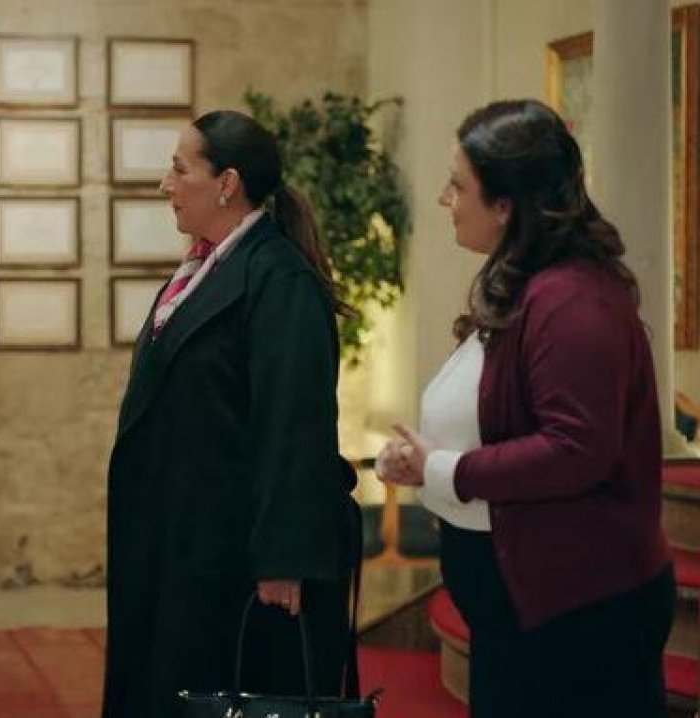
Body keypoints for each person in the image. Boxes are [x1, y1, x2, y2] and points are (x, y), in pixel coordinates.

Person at [377, 99, 675, 718]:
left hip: (577, 612)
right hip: (527, 608)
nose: (445, 199)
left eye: (458, 185)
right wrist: (421, 459)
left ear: (506, 204)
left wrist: (446, 469)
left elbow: (575, 449)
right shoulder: (525, 282)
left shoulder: (573, 301)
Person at [102, 110, 359, 717]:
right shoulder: (205, 266)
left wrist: (283, 560)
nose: (165, 184)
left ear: (227, 183)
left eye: (179, 169)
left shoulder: (280, 279)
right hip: (184, 539)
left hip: (235, 558)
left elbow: (295, 426)